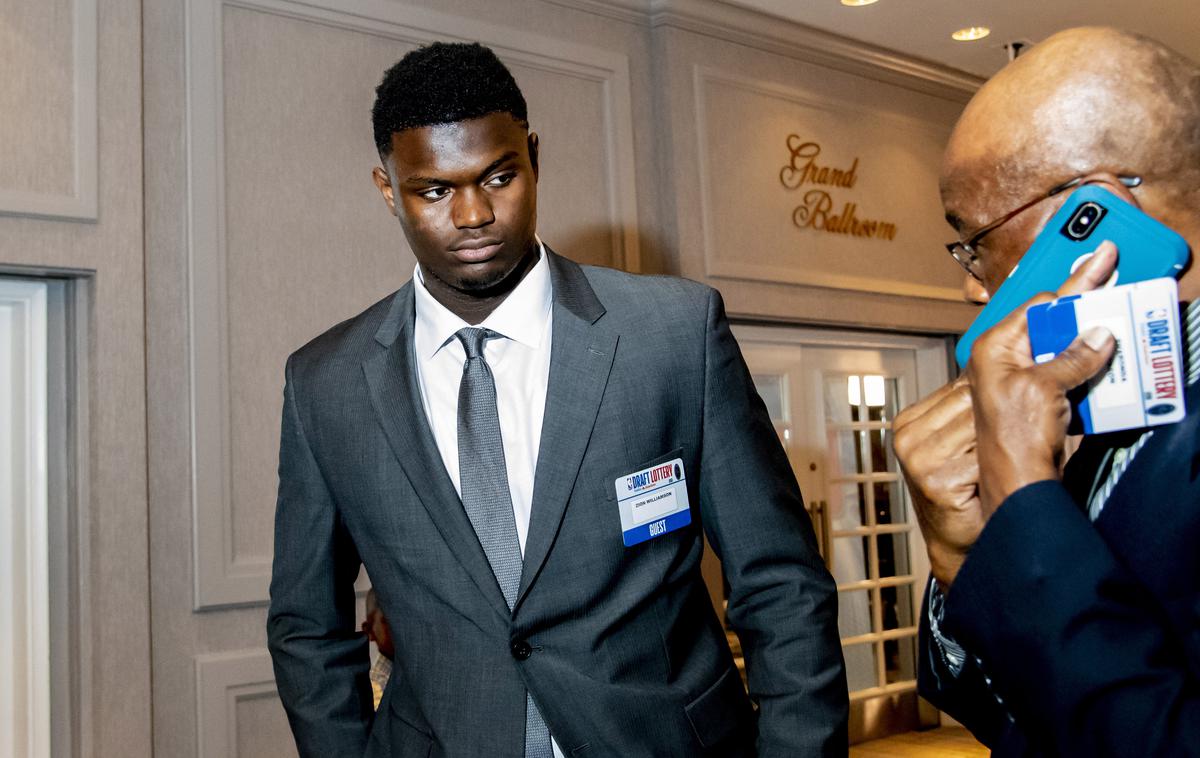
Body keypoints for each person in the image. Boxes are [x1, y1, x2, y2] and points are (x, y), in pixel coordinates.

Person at [266, 41, 847, 758]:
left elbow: (781, 583)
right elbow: (307, 625)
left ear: (533, 157)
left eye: (498, 176)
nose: (473, 213)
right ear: (390, 191)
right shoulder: (326, 383)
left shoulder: (671, 334)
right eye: (435, 190)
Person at [893, 26, 1200, 756]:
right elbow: (1020, 719)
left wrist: (1024, 496)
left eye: (974, 239)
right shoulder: (1100, 393)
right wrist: (960, 556)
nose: (971, 285)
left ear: (1090, 218)